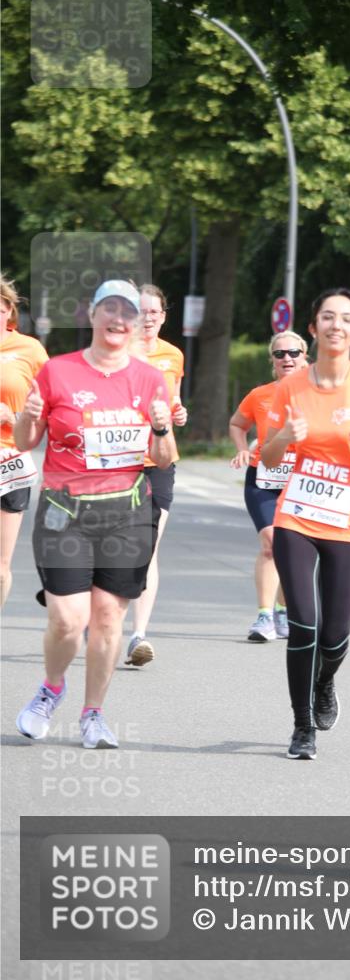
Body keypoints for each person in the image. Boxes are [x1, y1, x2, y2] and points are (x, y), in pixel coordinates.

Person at [14, 280, 176, 749]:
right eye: (110, 308)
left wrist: (162, 426)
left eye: (128, 312)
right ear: (92, 315)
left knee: (108, 619)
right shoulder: (57, 372)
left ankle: (93, 714)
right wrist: (27, 415)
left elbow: (164, 458)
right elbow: (27, 441)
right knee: (68, 619)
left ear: (135, 324)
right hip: (65, 512)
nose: (119, 319)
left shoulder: (149, 378)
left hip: (126, 512)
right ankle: (52, 687)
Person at [262, 289, 350, 759]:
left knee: (335, 634)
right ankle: (303, 727)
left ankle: (325, 682)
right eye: (327, 317)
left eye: (345, 319)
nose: (336, 325)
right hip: (297, 515)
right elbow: (267, 457)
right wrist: (284, 435)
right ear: (315, 327)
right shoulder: (290, 387)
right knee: (303, 624)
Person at [229, 331, 308, 641]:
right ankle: (264, 617)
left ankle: (283, 611)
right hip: (262, 478)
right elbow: (238, 423)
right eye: (279, 354)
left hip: (302, 481)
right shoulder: (260, 394)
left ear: (305, 356)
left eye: (293, 353)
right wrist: (241, 448)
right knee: (270, 542)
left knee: (291, 550)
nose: (287, 358)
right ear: (272, 361)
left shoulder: (319, 394)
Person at [125, 284, 188, 666]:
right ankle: (101, 614)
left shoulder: (173, 355)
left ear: (164, 316)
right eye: (141, 311)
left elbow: (175, 400)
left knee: (149, 547)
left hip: (160, 459)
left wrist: (179, 413)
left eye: (154, 312)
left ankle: (138, 636)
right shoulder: (117, 353)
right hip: (119, 459)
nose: (148, 318)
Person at [0, 274, 49, 607]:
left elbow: (50, 406)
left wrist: (14, 419)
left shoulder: (29, 349)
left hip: (10, 463)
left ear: (9, 310)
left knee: (0, 569)